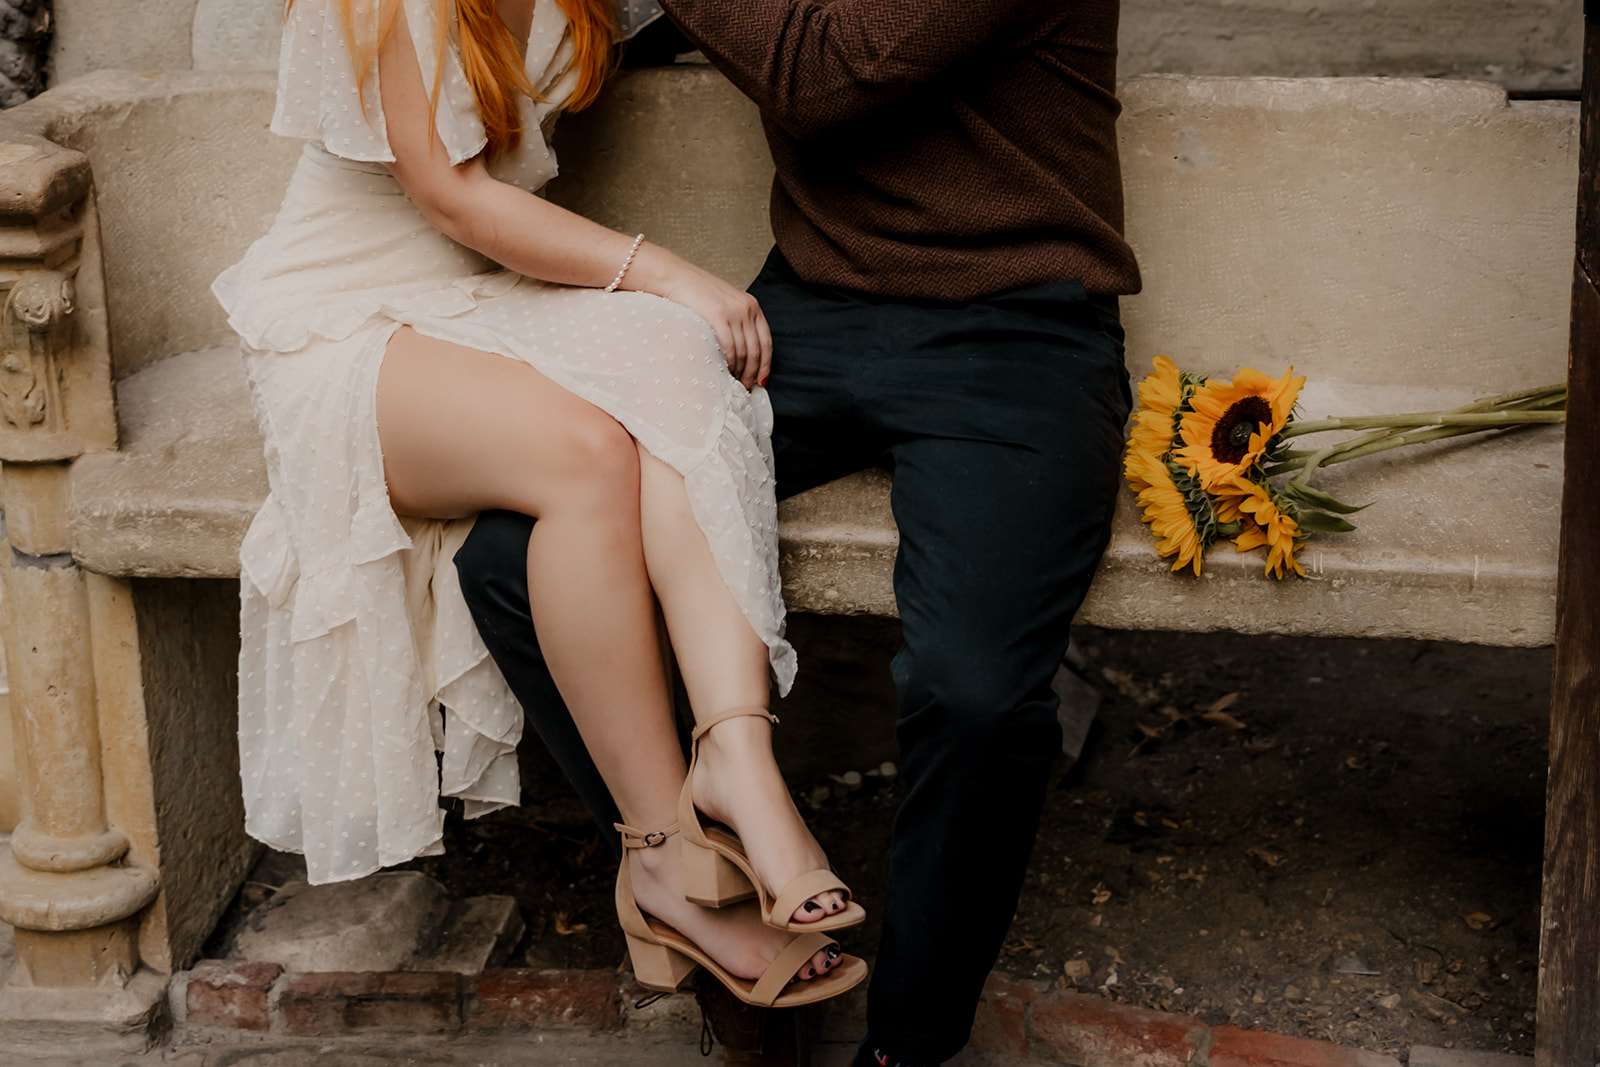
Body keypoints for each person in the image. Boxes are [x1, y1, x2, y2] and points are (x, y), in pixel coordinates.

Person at [455, 0, 1141, 1064]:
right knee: (512, 560)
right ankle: (715, 927)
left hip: (1020, 330)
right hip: (809, 312)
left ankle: (904, 1045)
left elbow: (827, 71)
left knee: (974, 691)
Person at [212, 0, 870, 1011]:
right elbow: (456, 200)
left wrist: (670, 303)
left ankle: (738, 757)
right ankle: (661, 857)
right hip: (345, 326)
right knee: (589, 450)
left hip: (477, 307)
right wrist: (668, 272)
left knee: (676, 359)